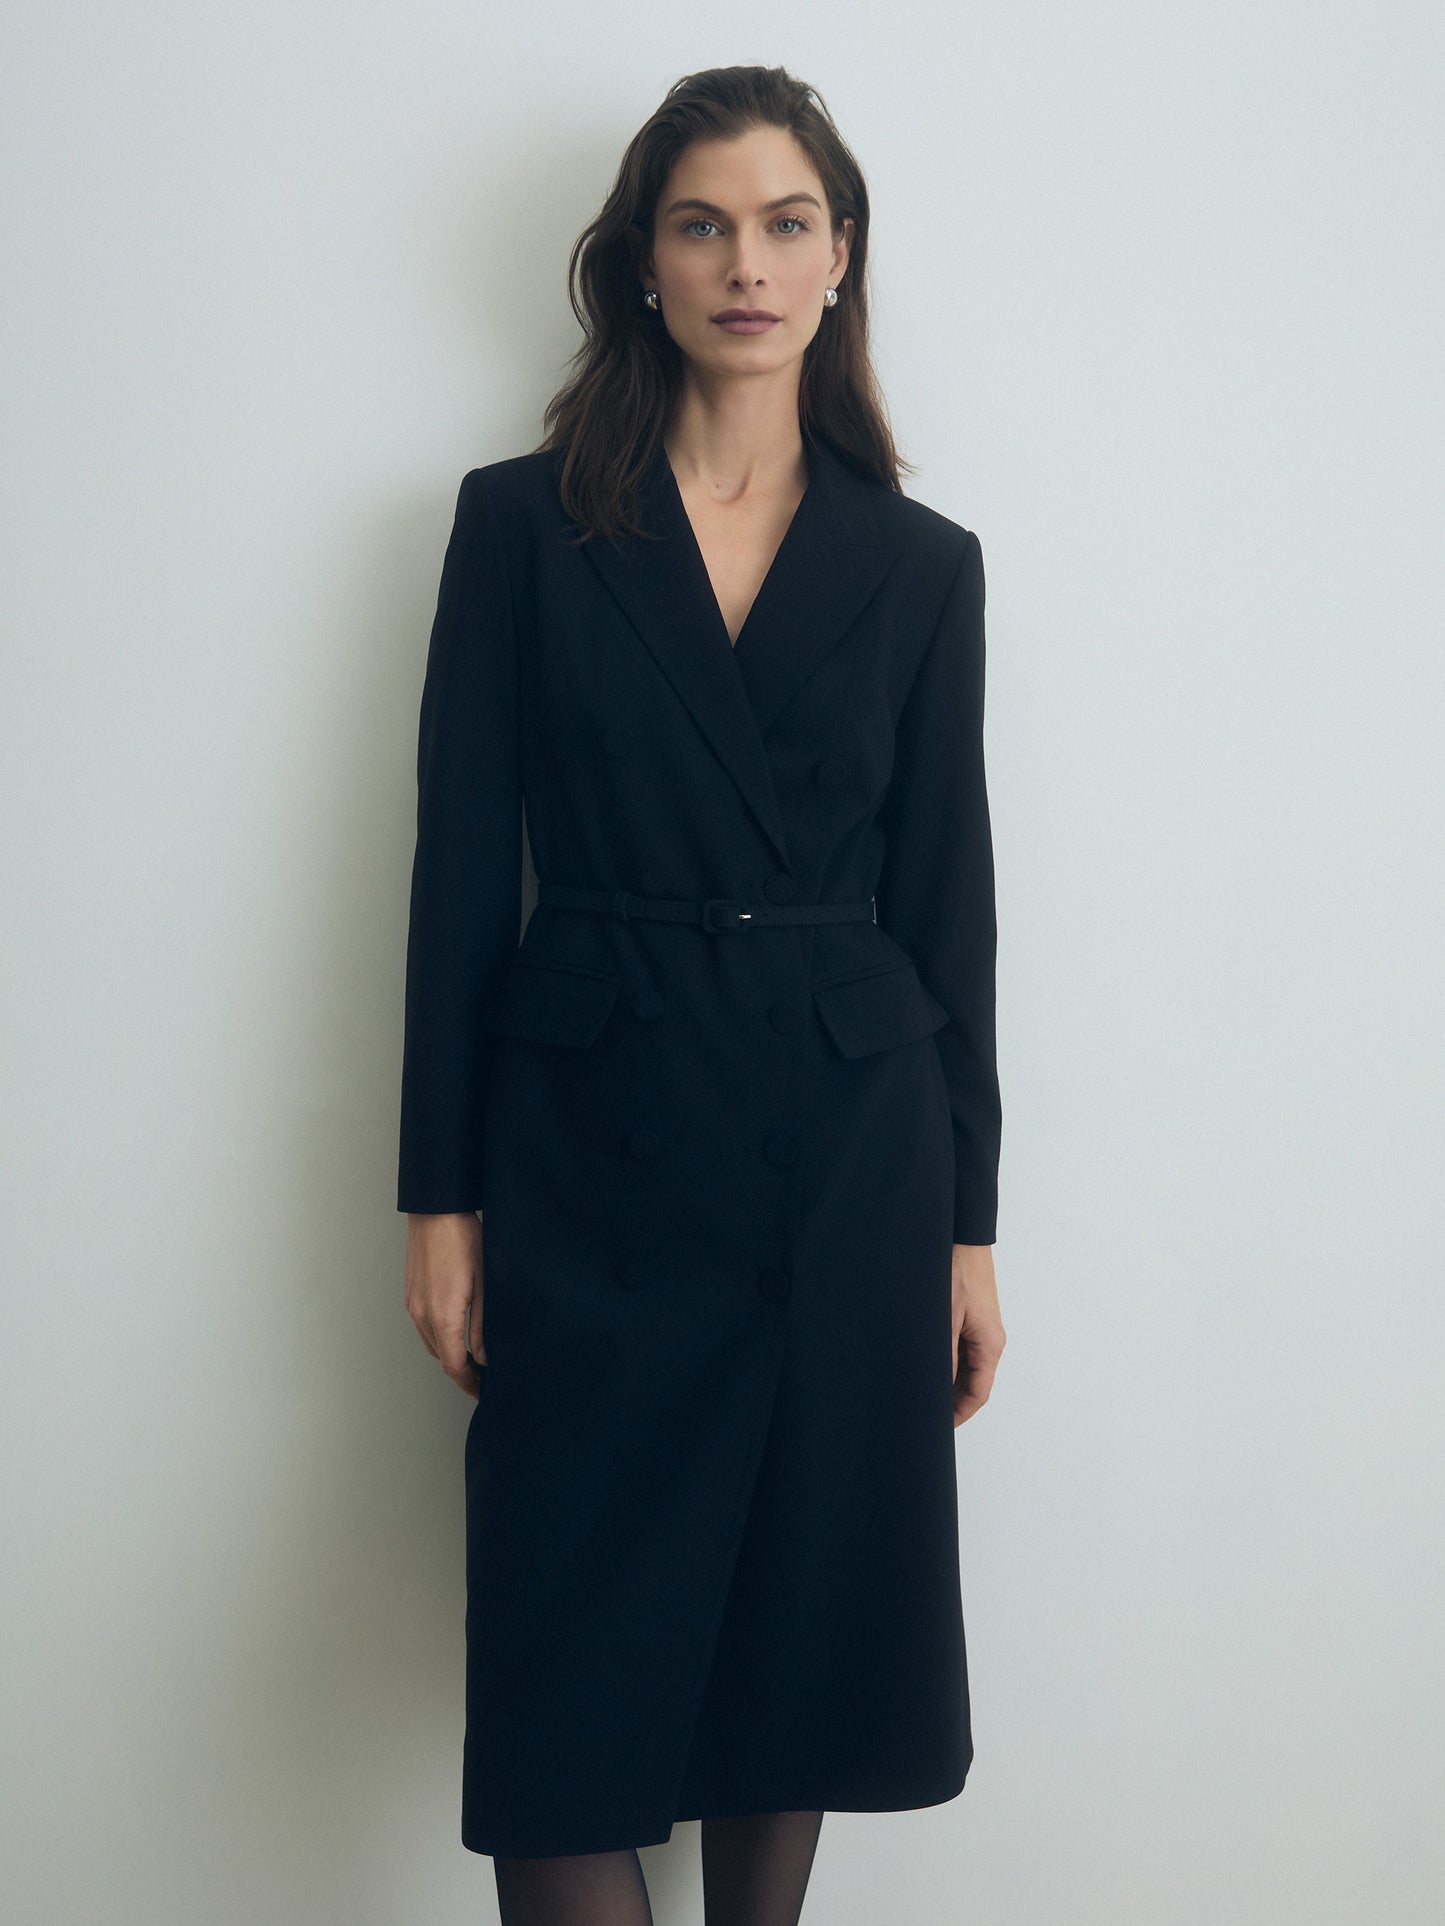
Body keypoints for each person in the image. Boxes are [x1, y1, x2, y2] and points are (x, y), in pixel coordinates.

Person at [398, 63, 1006, 1926]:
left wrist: (967, 1231)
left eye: (785, 221)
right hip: (589, 1153)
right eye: (701, 222)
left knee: (798, 1642)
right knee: (567, 1686)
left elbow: (948, 910)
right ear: (638, 264)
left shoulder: (918, 565)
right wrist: (439, 1195)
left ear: (840, 261)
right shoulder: (522, 526)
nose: (746, 261)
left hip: (846, 1167)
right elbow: (450, 880)